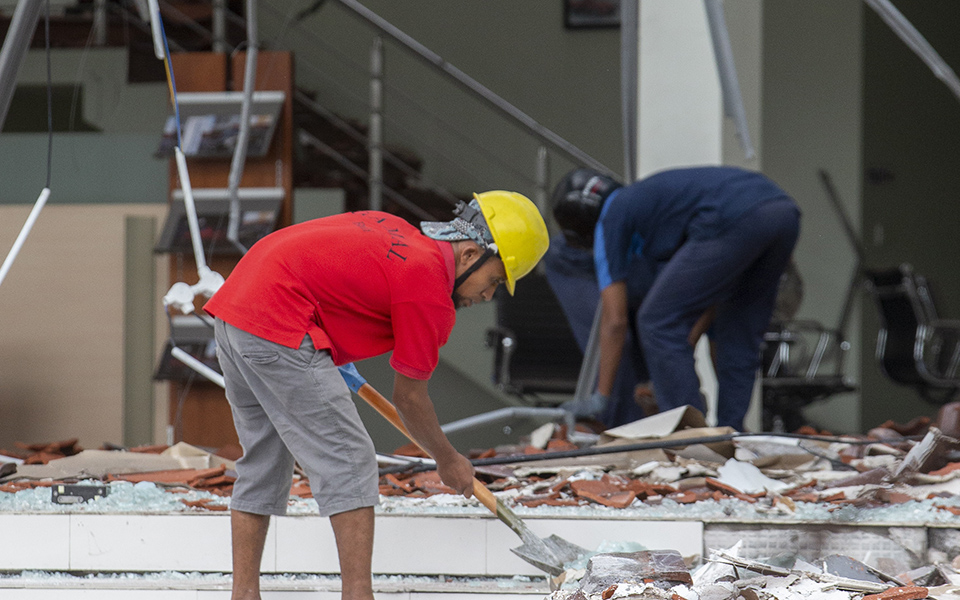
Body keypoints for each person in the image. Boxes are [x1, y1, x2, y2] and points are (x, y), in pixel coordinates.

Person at [203, 192, 549, 600]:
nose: (487, 297)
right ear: (471, 253)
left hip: (237, 310)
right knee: (350, 459)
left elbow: (325, 262)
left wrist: (326, 340)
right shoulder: (429, 289)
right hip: (281, 321)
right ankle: (358, 595)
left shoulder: (394, 227)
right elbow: (409, 398)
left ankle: (244, 594)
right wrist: (447, 459)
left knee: (263, 458)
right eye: (493, 281)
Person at [552, 166, 801, 431]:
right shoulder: (652, 205)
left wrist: (601, 397)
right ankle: (732, 433)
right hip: (783, 212)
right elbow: (709, 304)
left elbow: (615, 320)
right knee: (738, 332)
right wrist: (672, 368)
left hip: (733, 217)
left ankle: (688, 435)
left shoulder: (610, 218)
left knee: (656, 320)